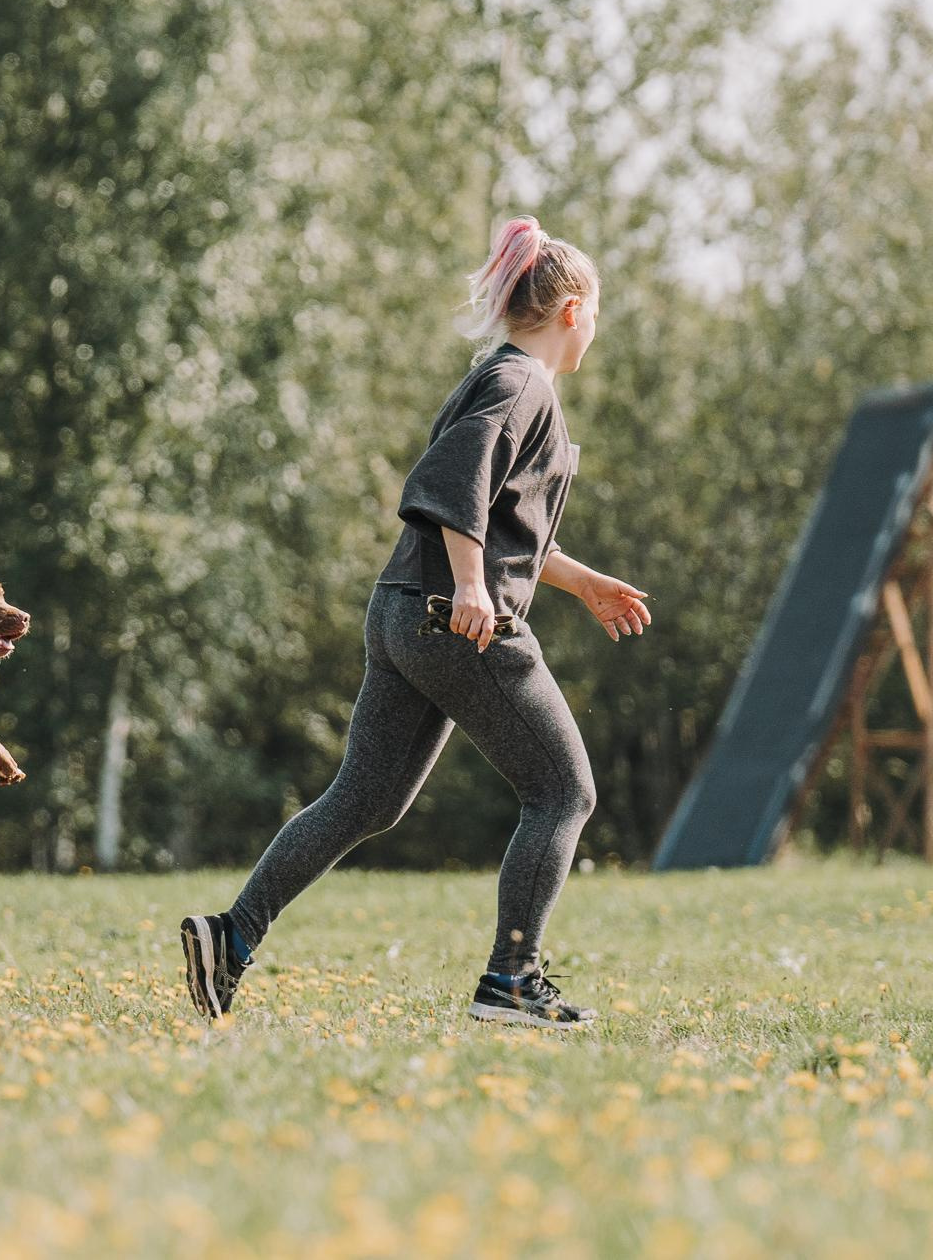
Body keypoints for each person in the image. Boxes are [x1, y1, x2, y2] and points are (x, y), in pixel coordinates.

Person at [181, 216, 650, 1029]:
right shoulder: (521, 384)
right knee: (563, 793)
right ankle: (512, 980)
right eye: (599, 313)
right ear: (573, 309)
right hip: (456, 620)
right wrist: (472, 588)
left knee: (365, 798)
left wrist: (578, 583)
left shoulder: (500, 375)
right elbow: (455, 483)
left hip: (403, 611)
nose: (596, 331)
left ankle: (233, 935)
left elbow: (502, 521)